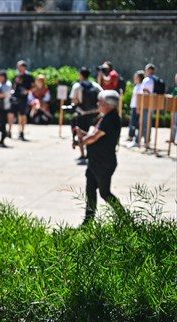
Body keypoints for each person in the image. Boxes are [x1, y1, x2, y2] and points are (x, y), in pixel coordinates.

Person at [73, 90, 126, 226]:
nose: (98, 104)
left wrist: (80, 141)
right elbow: (95, 136)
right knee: (90, 191)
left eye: (100, 102)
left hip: (104, 163)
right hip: (95, 161)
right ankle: (88, 222)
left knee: (105, 193)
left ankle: (125, 219)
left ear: (108, 104)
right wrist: (82, 134)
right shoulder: (105, 117)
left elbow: (94, 137)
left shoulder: (111, 119)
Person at [70, 67, 101, 164]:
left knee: (80, 134)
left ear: (80, 75)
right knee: (91, 134)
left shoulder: (77, 86)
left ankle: (83, 154)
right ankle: (90, 153)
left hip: (82, 113)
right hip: (94, 114)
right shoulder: (95, 85)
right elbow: (102, 96)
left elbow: (74, 100)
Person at [9, 60, 34, 140]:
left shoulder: (29, 76)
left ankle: (21, 132)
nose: (19, 68)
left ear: (24, 67)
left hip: (23, 98)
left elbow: (34, 87)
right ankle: (9, 131)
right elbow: (14, 86)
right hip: (15, 97)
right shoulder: (17, 75)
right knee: (11, 114)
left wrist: (27, 91)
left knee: (22, 115)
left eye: (20, 67)